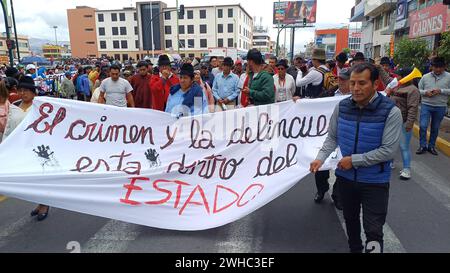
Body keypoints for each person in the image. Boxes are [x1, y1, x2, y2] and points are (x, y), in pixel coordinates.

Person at [310, 63, 403, 253]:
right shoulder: (342, 107)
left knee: (374, 230)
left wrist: (354, 160)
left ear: (375, 84)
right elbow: (332, 137)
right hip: (346, 179)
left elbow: (388, 151)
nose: (355, 88)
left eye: (362, 83)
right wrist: (320, 158)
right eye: (352, 83)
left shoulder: (390, 112)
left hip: (375, 182)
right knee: (351, 222)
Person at [2, 76, 51, 221]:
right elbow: (9, 127)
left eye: (26, 91)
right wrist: (5, 145)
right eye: (20, 90)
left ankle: (45, 204)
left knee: (41, 177)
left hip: (39, 148)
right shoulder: (15, 105)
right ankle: (39, 202)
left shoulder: (41, 106)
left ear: (33, 92)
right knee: (31, 179)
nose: (23, 93)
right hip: (20, 148)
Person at [388, 67, 420, 180]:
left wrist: (409, 123)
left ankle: (407, 169)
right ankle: (390, 163)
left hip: (404, 121)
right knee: (391, 143)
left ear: (406, 76)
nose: (396, 77)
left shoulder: (413, 90)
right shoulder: (397, 86)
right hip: (392, 121)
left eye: (399, 75)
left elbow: (413, 108)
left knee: (403, 146)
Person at [417, 57, 450, 156]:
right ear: (432, 67)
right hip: (426, 105)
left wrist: (441, 91)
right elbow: (418, 90)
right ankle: (423, 145)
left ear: (444, 67)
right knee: (423, 126)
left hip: (440, 106)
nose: (438, 70)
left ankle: (431, 146)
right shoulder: (425, 77)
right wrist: (425, 92)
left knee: (435, 128)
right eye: (436, 67)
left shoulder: (449, 76)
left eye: (441, 67)